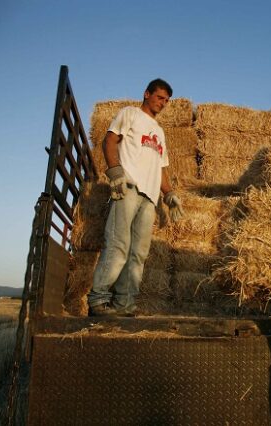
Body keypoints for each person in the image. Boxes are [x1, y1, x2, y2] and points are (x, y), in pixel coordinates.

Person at [87, 78, 185, 317]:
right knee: (118, 245)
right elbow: (109, 140)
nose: (163, 103)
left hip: (150, 198)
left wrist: (169, 193)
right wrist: (115, 172)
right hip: (129, 188)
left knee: (138, 254)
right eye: (160, 97)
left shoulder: (160, 133)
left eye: (167, 101)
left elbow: (161, 168)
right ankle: (98, 300)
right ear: (147, 93)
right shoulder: (129, 113)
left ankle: (124, 304)